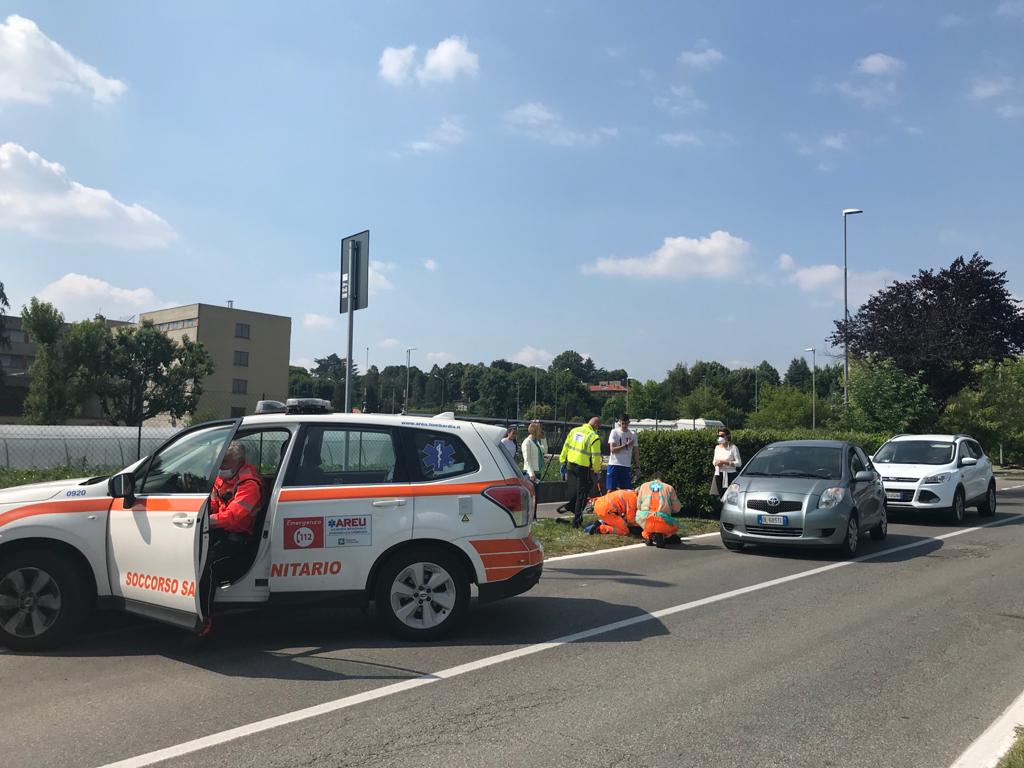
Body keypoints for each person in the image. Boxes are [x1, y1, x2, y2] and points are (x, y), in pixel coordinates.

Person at [200, 441, 265, 634]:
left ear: (239, 463)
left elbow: (233, 517)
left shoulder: (249, 484)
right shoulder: (222, 479)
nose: (221, 469)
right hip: (223, 530)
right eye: (220, 463)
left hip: (242, 538)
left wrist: (203, 521)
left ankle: (204, 619)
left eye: (225, 465)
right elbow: (213, 505)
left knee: (207, 564)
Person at [559, 416, 603, 528]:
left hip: (570, 465)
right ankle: (576, 521)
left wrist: (562, 460)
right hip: (583, 467)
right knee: (582, 494)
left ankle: (571, 506)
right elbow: (596, 457)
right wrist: (597, 470)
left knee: (581, 490)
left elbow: (566, 446)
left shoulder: (574, 431)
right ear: (596, 426)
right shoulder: (594, 437)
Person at [636, 473, 684, 548]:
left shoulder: (644, 486)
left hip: (645, 516)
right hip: (662, 517)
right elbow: (676, 506)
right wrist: (674, 510)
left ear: (651, 479)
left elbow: (638, 504)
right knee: (671, 527)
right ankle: (663, 535)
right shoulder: (669, 487)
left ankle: (648, 536)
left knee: (646, 521)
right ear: (662, 480)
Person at [606, 413, 638, 492]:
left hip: (625, 466)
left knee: (627, 491)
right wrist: (625, 446)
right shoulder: (614, 432)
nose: (624, 425)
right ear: (619, 422)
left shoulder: (633, 434)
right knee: (610, 490)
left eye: (626, 423)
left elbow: (636, 452)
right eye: (622, 423)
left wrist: (638, 467)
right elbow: (612, 449)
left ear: (629, 423)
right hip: (614, 464)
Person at [710, 427, 742, 499]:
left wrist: (725, 462)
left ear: (727, 436)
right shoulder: (717, 447)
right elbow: (714, 461)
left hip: (730, 475)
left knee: (731, 497)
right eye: (718, 436)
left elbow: (739, 463)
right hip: (719, 474)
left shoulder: (733, 448)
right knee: (721, 497)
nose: (720, 437)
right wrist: (716, 463)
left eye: (722, 436)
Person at [522, 421, 546, 487]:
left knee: (537, 494)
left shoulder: (536, 441)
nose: (541, 431)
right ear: (535, 431)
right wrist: (531, 473)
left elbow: (545, 450)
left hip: (537, 472)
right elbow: (527, 459)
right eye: (539, 429)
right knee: (532, 494)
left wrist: (543, 439)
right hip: (530, 473)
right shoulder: (527, 442)